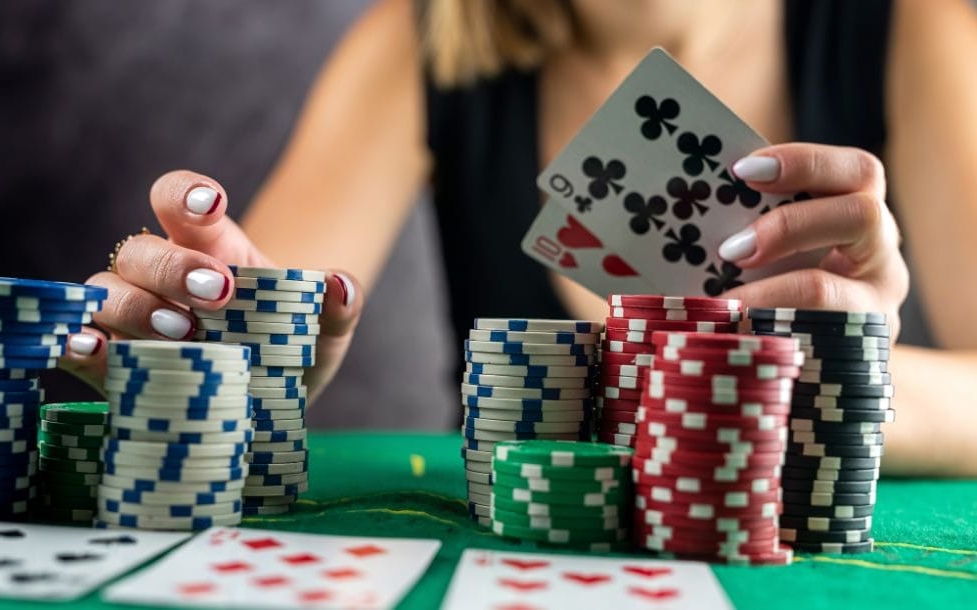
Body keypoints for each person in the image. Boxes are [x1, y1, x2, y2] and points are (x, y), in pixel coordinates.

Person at [60, 0, 977, 476]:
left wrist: (856, 384)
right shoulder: (422, 41)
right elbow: (262, 332)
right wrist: (229, 346)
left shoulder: (906, 29)